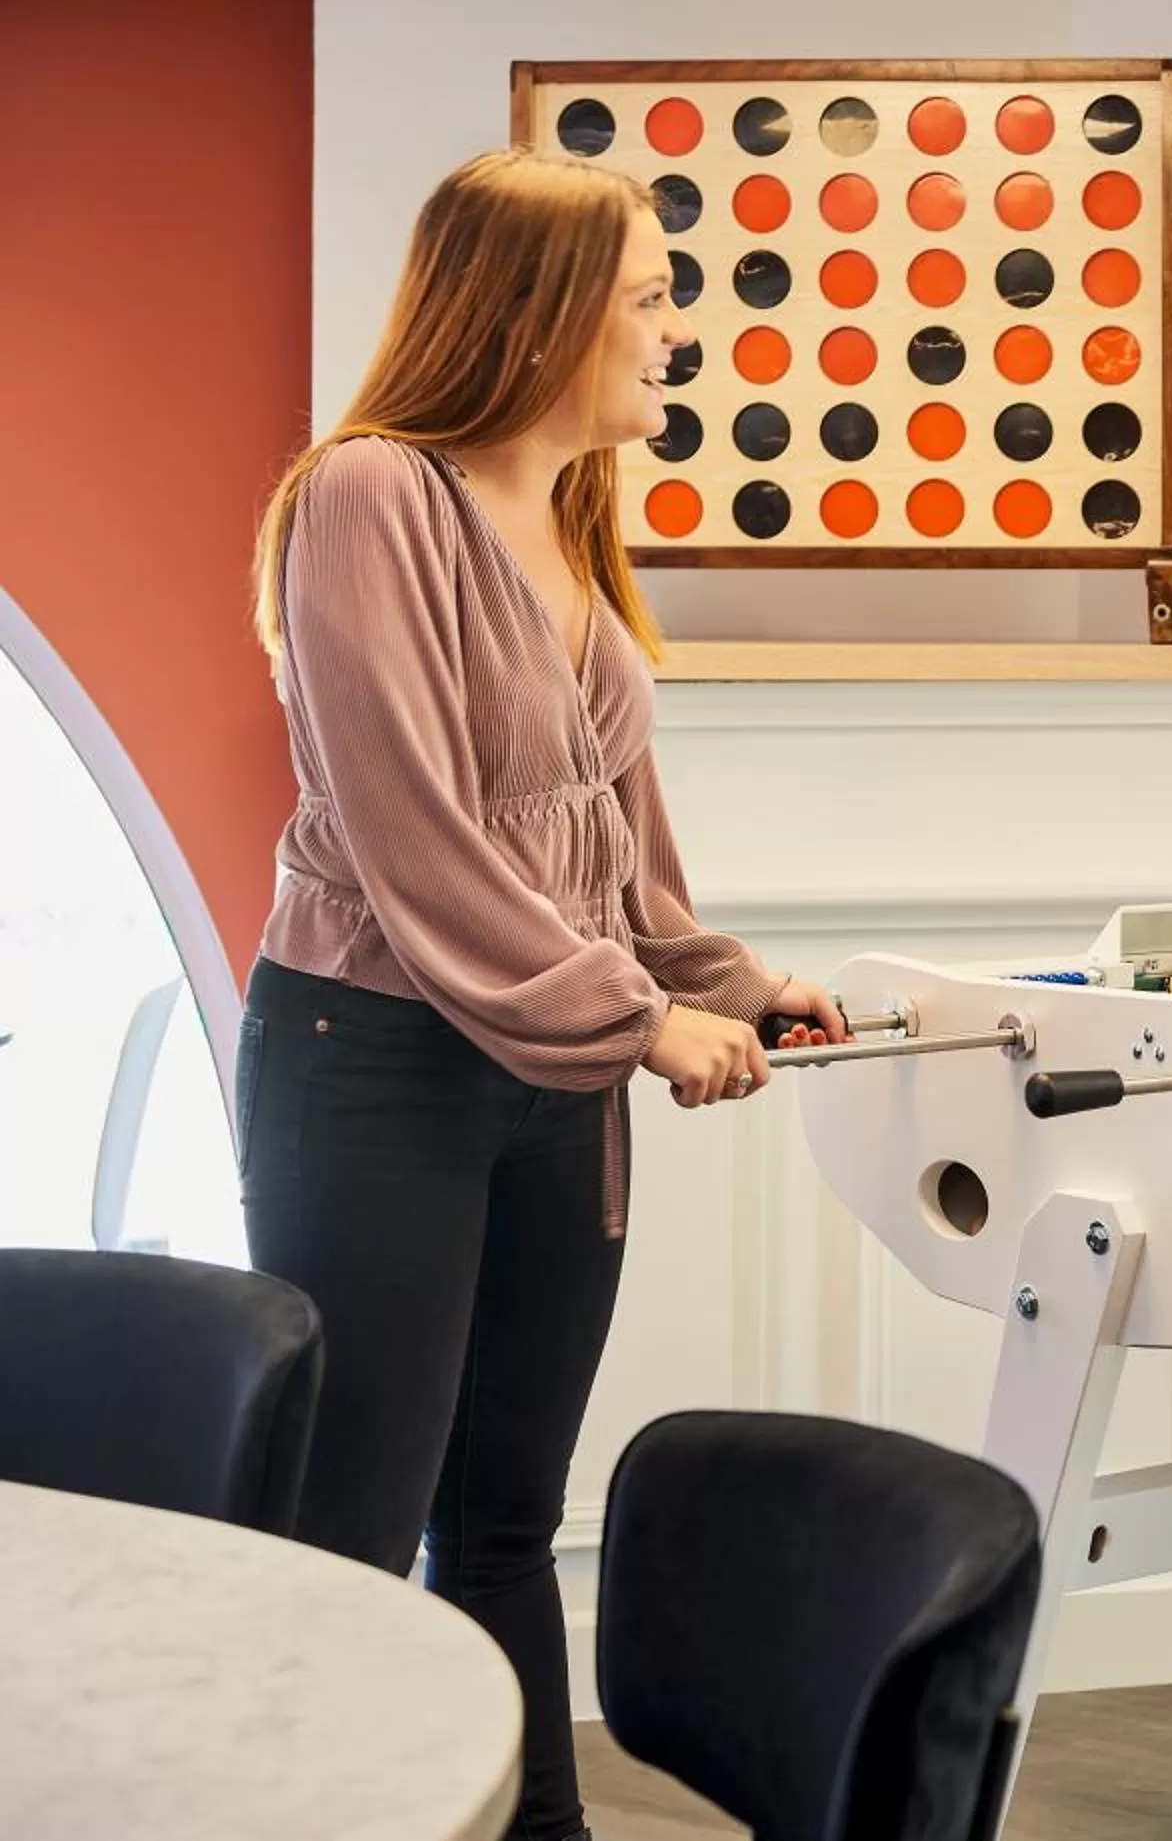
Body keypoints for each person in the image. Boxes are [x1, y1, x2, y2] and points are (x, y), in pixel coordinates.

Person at [236, 148, 848, 1841]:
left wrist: (727, 980)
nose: (676, 333)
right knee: (355, 1536)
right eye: (651, 298)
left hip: (547, 1082)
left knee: (504, 1518)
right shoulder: (369, 496)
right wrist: (640, 1023)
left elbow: (612, 849)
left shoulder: (574, 515)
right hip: (371, 1063)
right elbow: (417, 836)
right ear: (543, 311)